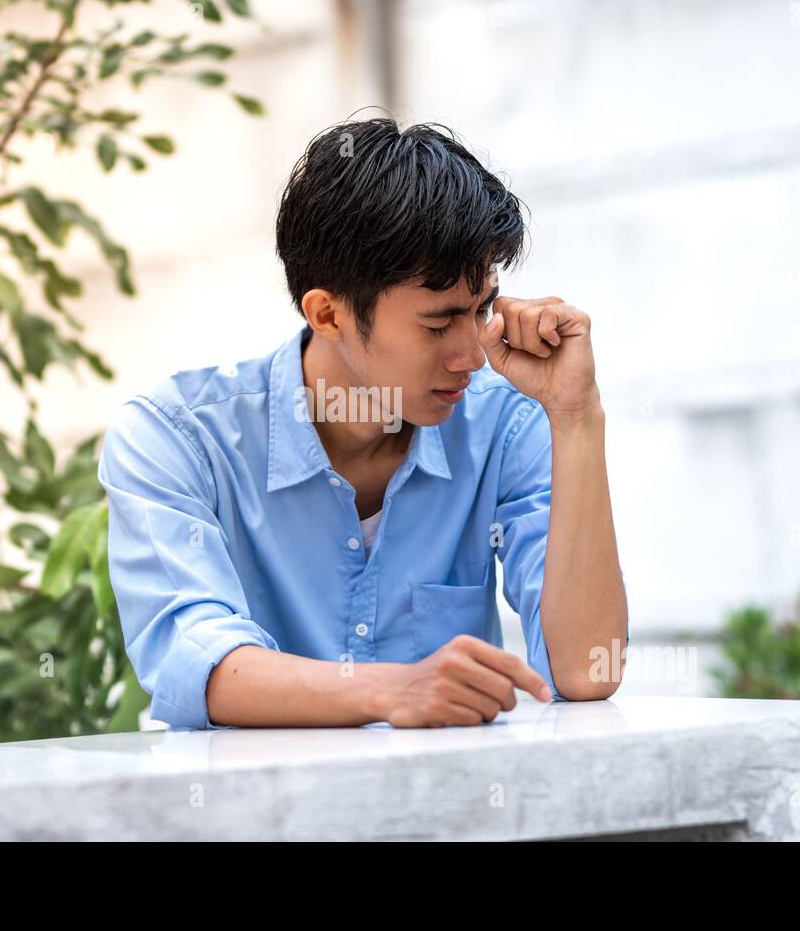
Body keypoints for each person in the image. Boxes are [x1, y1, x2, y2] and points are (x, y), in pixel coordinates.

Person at [97, 117, 628, 730]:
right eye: (437, 324)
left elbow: (588, 669)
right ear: (327, 313)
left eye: (481, 309)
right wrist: (392, 691)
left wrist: (577, 415)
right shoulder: (177, 439)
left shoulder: (504, 426)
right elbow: (194, 665)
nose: (473, 354)